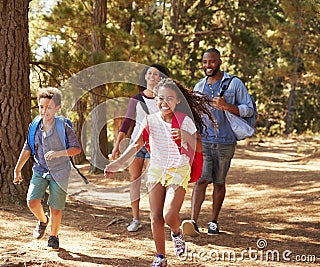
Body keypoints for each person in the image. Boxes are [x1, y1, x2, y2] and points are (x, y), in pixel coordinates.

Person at [105, 78, 214, 267]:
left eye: (169, 98)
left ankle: (176, 232)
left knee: (169, 214)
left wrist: (184, 135)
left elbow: (199, 147)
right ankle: (160, 257)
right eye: (161, 98)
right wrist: (117, 164)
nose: (164, 103)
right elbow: (136, 144)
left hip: (178, 168)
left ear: (177, 100)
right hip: (156, 169)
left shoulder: (184, 120)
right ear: (155, 99)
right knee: (155, 216)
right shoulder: (150, 120)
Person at [182, 48, 255, 237]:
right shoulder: (199, 86)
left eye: (212, 62)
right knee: (201, 179)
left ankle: (213, 221)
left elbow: (249, 110)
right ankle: (193, 221)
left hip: (226, 141)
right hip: (204, 140)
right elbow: (195, 115)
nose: (208, 66)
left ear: (220, 62)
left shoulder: (234, 84)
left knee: (219, 182)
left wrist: (227, 106)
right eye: (205, 62)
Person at [13, 87, 81, 250]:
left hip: (60, 172)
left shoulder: (63, 126)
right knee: (32, 201)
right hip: (40, 169)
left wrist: (59, 153)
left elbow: (76, 148)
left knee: (56, 208)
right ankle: (43, 221)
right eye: (41, 107)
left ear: (57, 108)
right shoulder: (34, 126)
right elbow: (28, 148)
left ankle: (54, 236)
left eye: (49, 107)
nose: (44, 111)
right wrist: (17, 169)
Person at [111, 64, 170, 232]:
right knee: (134, 181)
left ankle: (157, 217)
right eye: (149, 73)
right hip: (137, 144)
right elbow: (127, 123)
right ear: (145, 77)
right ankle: (135, 218)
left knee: (153, 181)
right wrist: (117, 145)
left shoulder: (164, 98)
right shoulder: (136, 99)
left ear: (160, 78)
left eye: (156, 74)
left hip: (156, 144)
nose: (152, 76)